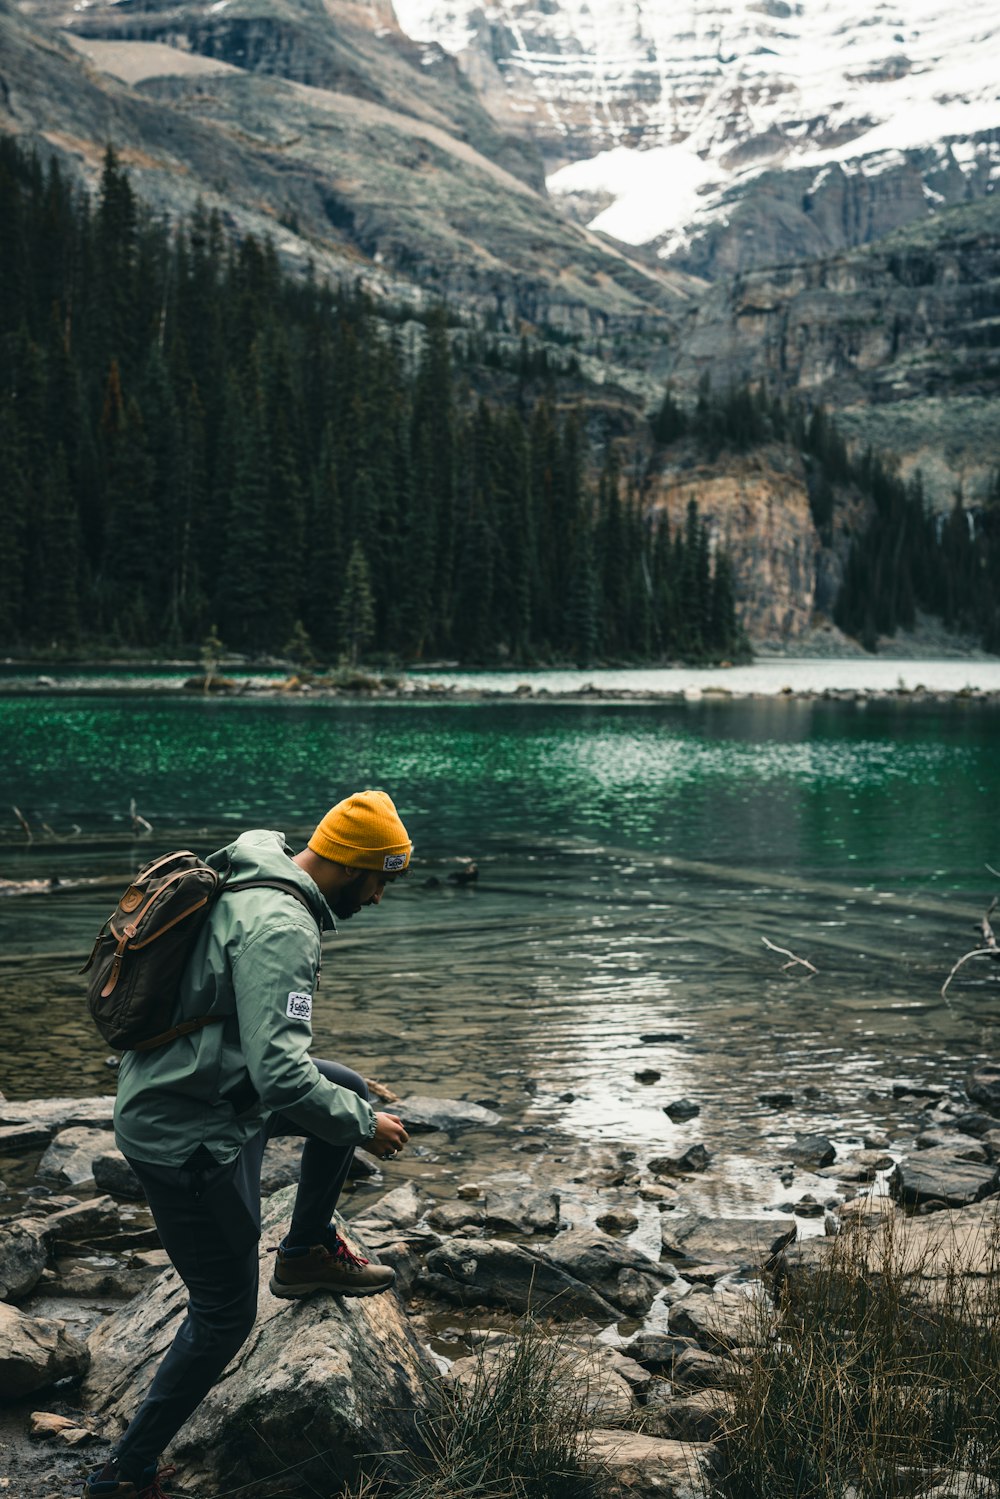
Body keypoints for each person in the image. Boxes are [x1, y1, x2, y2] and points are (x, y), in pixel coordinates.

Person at [84, 790, 413, 1499]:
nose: (382, 895)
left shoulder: (252, 867)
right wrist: (363, 1126)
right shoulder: (283, 926)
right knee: (224, 1312)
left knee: (346, 1082)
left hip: (191, 1086)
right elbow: (284, 1078)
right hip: (187, 1134)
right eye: (380, 878)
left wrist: (347, 1104)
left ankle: (303, 1253)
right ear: (352, 865)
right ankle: (122, 1472)